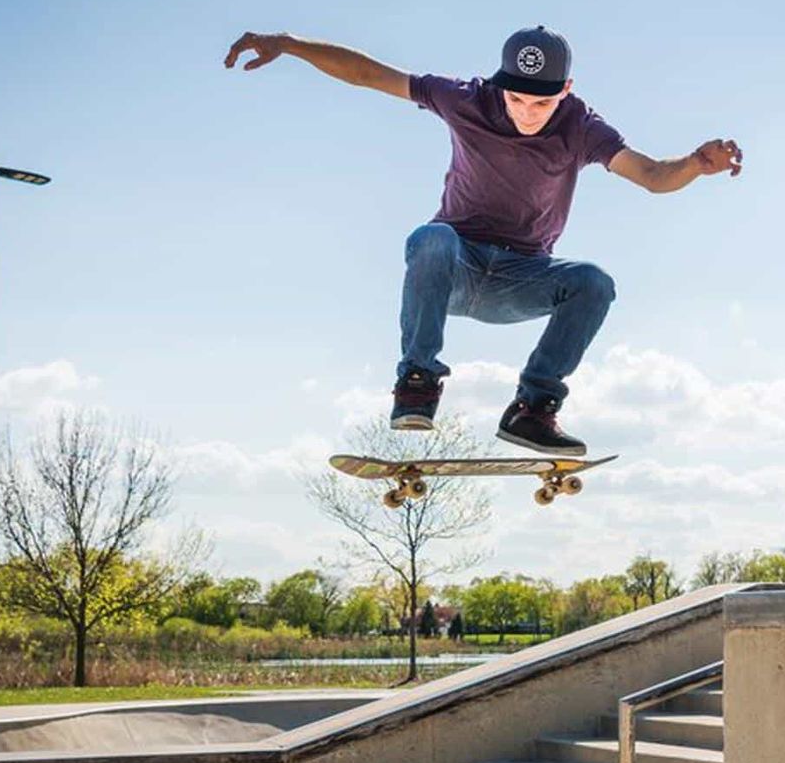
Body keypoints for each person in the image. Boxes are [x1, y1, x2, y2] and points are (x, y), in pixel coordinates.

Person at [224, 25, 742, 455]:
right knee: (432, 238)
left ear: (566, 89)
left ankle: (532, 410)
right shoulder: (464, 99)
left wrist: (695, 165)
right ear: (499, 84)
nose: (526, 112)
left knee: (593, 283)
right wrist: (290, 44)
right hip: (454, 267)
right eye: (515, 98)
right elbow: (371, 75)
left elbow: (651, 175)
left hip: (522, 279)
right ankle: (417, 383)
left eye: (541, 103)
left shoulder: (581, 127)